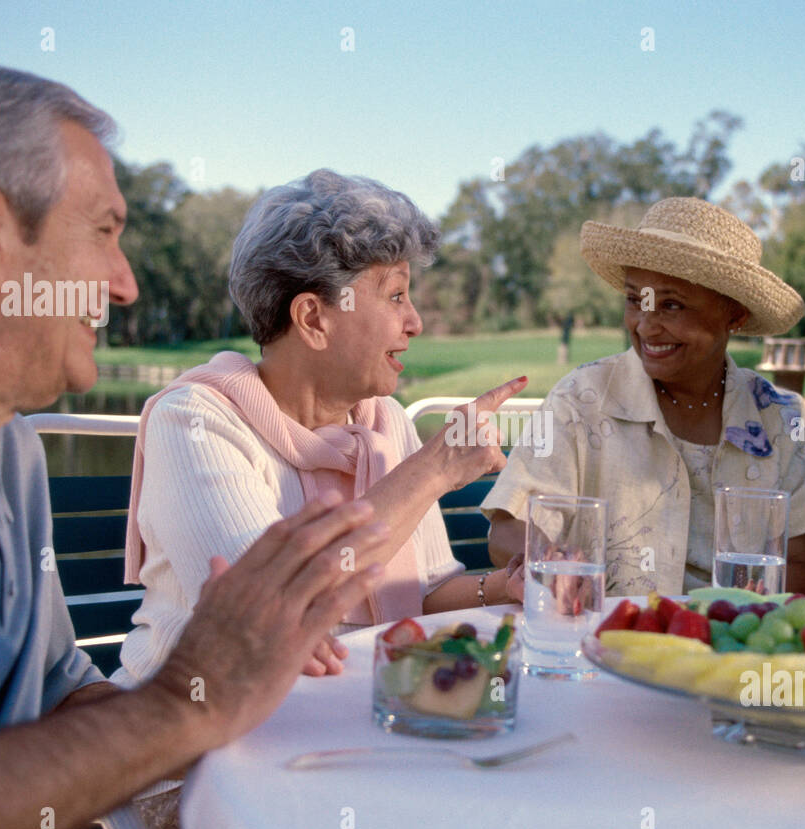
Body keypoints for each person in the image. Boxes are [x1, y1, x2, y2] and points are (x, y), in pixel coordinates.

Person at [0, 60, 387, 829]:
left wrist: (240, 698)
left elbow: (63, 695)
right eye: (104, 231)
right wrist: (182, 703)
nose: (127, 283)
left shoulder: (12, 451)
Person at [115, 170, 525, 697]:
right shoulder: (195, 422)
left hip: (355, 712)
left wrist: (505, 584)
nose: (416, 321)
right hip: (198, 743)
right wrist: (435, 468)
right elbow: (272, 612)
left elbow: (423, 591)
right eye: (395, 295)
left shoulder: (384, 421)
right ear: (313, 317)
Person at [485, 198, 805, 596]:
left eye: (672, 305)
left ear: (734, 316)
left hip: (731, 643)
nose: (646, 326)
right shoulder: (580, 400)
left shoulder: (782, 420)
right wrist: (554, 560)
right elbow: (508, 530)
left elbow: (799, 561)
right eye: (635, 301)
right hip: (607, 639)